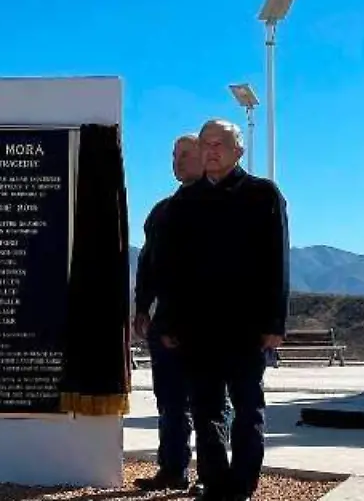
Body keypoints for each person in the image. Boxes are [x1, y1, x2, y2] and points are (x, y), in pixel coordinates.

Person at [155, 118, 290, 501]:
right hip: (197, 328)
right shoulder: (184, 203)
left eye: (220, 143)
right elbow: (171, 268)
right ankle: (215, 482)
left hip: (247, 326)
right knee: (205, 409)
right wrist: (168, 319)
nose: (211, 150)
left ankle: (243, 483)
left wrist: (275, 320)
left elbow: (277, 261)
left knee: (248, 407)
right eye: (205, 143)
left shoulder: (263, 195)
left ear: (238, 149)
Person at [131, 134, 205, 494]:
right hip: (164, 323)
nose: (177, 161)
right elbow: (148, 263)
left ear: (205, 157)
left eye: (185, 154)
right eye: (174, 155)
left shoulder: (217, 207)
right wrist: (141, 306)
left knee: (209, 403)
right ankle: (172, 468)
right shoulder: (161, 211)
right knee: (170, 401)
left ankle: (212, 475)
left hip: (205, 323)